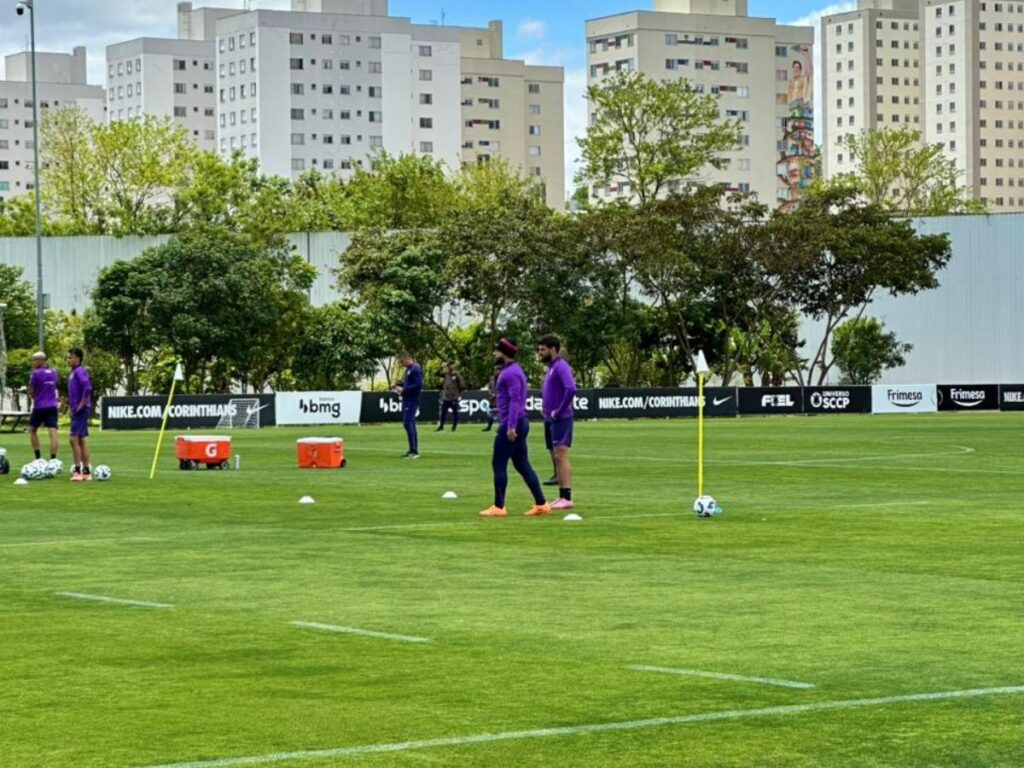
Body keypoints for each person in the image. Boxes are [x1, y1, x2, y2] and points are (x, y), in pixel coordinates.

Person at [480, 338, 549, 518]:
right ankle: (541, 503)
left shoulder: (510, 373)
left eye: (496, 351)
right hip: (520, 421)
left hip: (514, 422)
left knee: (499, 463)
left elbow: (515, 401)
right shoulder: (512, 370)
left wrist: (510, 427)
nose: (494, 354)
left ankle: (499, 506)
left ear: (504, 352)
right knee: (522, 463)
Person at [539, 335, 577, 511]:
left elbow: (570, 389)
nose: (540, 353)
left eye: (542, 349)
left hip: (561, 418)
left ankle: (567, 497)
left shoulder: (561, 366)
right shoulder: (551, 367)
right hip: (552, 417)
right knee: (557, 457)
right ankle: (562, 495)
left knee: (561, 456)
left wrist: (559, 410)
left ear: (552, 349)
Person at [66, 347, 94, 482]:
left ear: (78, 358)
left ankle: (77, 471)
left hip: (81, 411)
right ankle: (86, 471)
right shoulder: (73, 372)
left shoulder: (79, 371)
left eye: (71, 357)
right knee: (81, 441)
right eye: (68, 357)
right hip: (76, 410)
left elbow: (87, 387)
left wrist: (82, 404)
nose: (68, 359)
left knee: (73, 440)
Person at [27, 351, 59, 462]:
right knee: (53, 432)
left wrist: (34, 397)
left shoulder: (35, 373)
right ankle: (53, 459)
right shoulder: (53, 372)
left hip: (39, 406)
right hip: (52, 406)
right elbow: (54, 385)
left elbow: (31, 390)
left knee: (32, 430)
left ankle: (38, 458)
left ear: (41, 360)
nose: (33, 362)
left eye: (34, 360)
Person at [392, 352, 423, 459]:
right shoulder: (409, 369)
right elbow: (408, 383)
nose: (401, 364)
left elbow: (418, 385)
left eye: (401, 362)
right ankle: (412, 449)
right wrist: (398, 386)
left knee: (408, 423)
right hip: (407, 399)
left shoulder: (415, 369)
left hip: (412, 399)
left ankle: (414, 451)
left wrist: (404, 389)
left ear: (406, 359)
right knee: (410, 424)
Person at [436, 362, 466, 432]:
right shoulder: (446, 374)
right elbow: (437, 374)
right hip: (446, 397)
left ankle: (454, 427)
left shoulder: (457, 375)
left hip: (454, 397)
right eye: (449, 366)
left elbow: (462, 385)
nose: (450, 367)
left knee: (455, 413)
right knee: (443, 413)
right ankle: (441, 426)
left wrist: (458, 393)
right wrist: (441, 367)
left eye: (451, 366)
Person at [482, 362, 501, 432]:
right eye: (495, 370)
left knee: (500, 413)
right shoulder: (491, 378)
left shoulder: (503, 378)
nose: (495, 371)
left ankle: (500, 426)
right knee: (491, 413)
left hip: (499, 399)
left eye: (497, 370)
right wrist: (491, 394)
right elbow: (489, 388)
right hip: (492, 399)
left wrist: (498, 395)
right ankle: (489, 426)